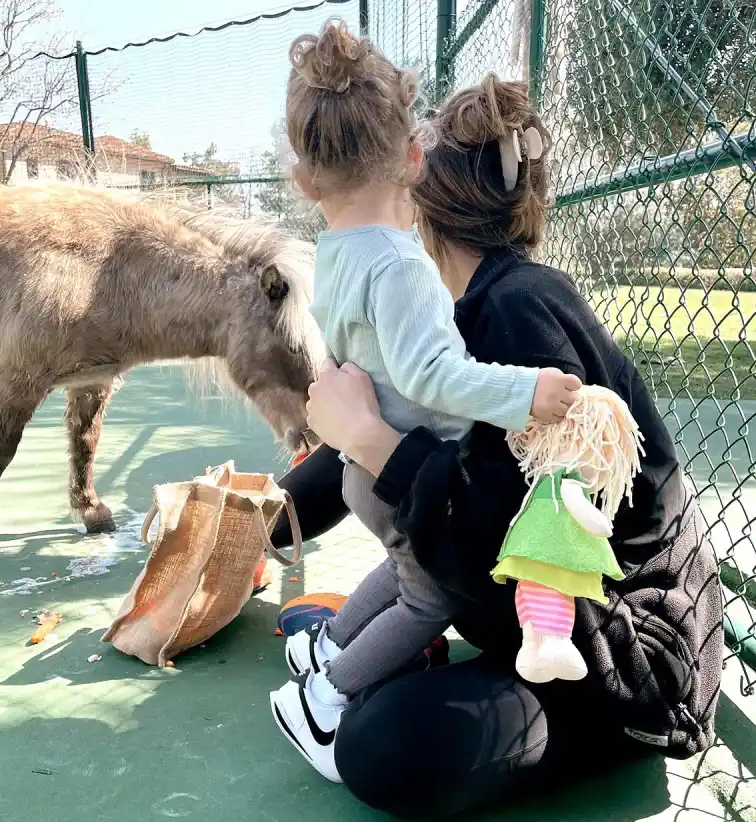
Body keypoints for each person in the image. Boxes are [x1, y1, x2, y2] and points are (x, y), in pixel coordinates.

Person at [269, 71, 724, 818]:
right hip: (542, 619)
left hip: (625, 658)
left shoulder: (518, 313)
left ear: (419, 198)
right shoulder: (458, 310)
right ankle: (362, 653)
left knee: (381, 747)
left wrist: (373, 442)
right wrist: (284, 494)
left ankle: (368, 677)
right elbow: (373, 435)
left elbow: (503, 553)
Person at [268, 19, 583, 783]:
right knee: (429, 597)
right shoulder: (401, 266)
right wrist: (526, 394)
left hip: (366, 469)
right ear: (412, 159)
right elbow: (435, 376)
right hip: (405, 467)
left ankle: (332, 643)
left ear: (308, 181)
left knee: (405, 575)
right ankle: (326, 695)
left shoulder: (335, 253)